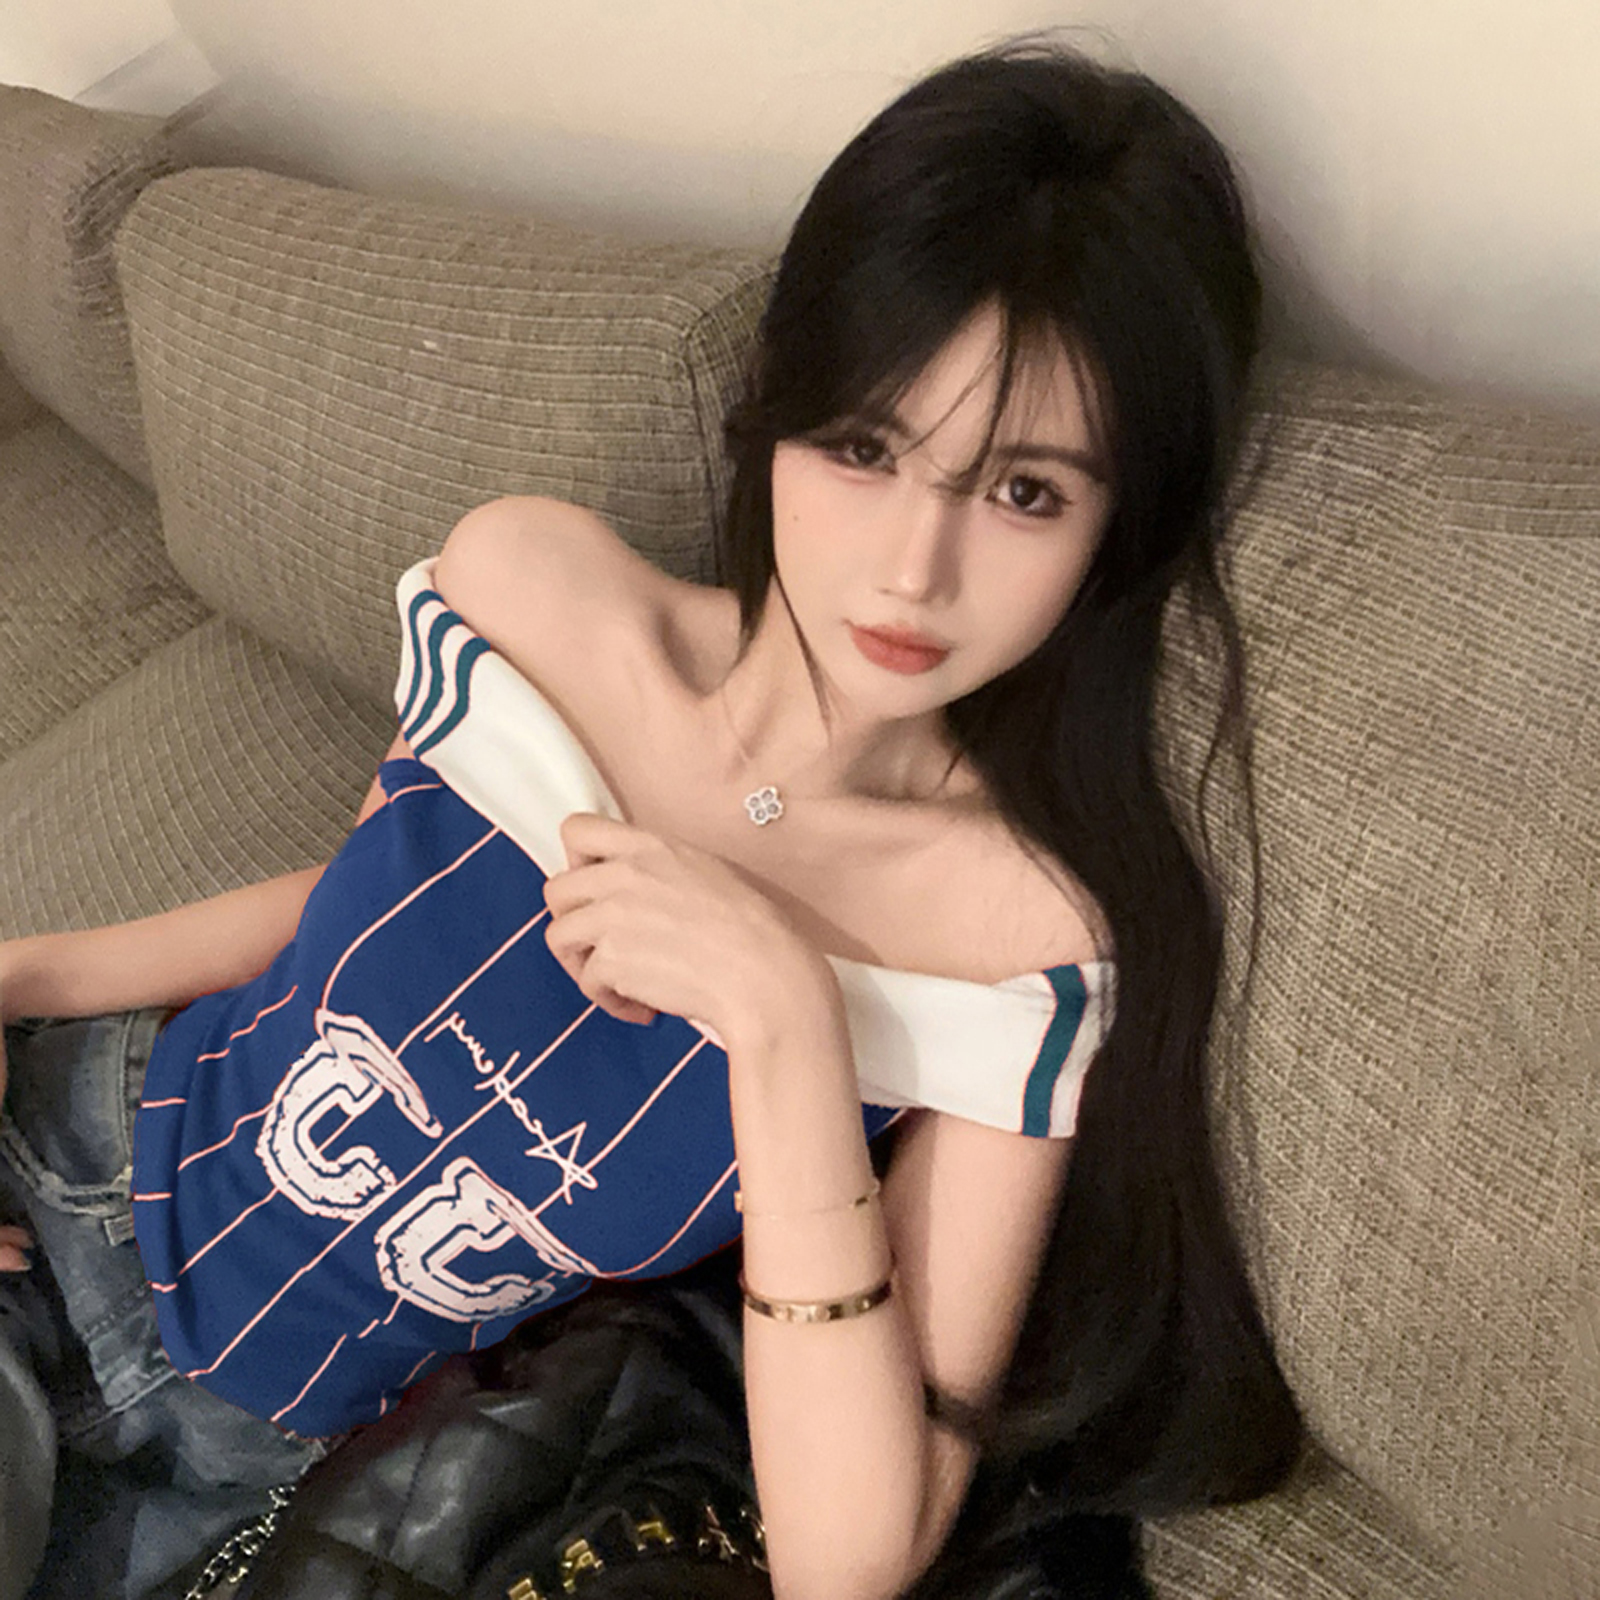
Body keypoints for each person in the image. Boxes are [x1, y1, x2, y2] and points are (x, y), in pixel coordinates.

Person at [0, 37, 1302, 1600]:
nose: (913, 570)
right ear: (777, 410)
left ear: (1118, 527)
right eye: (866, 448)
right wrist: (20, 978)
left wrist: (787, 1022)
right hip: (64, 1165)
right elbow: (353, 907)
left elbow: (848, 1559)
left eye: (1025, 492)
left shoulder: (1013, 945)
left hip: (271, 1471)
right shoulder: (532, 594)